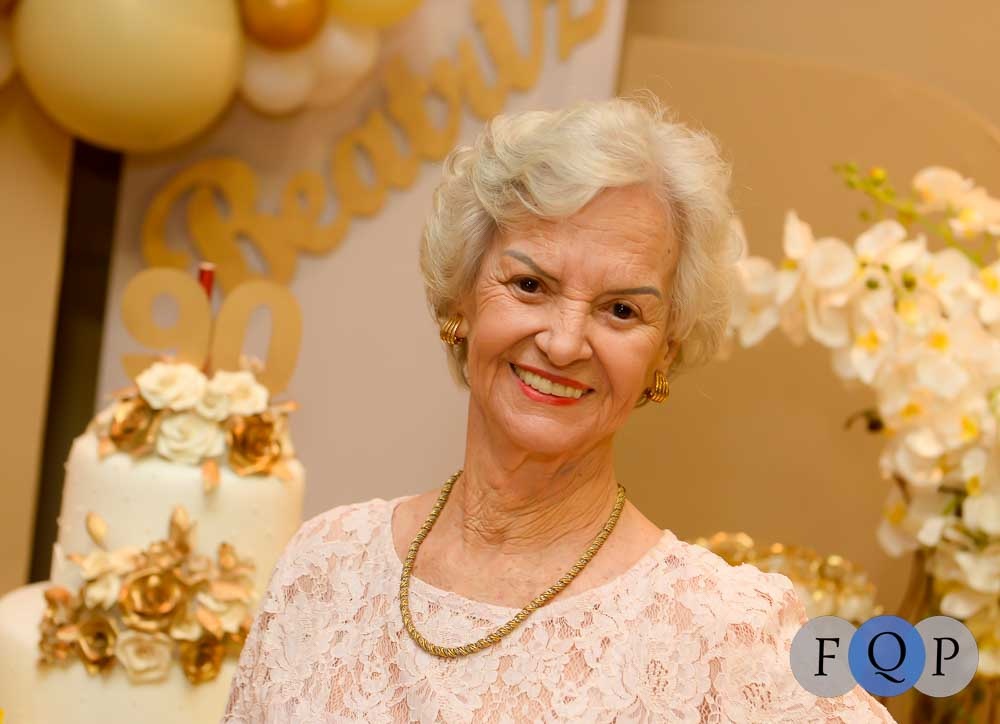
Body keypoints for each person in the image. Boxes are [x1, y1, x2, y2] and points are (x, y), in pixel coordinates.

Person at [223, 97, 894, 722]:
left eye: (621, 310)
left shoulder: (722, 632)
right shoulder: (324, 568)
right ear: (462, 299)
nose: (565, 343)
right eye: (530, 285)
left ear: (664, 352)